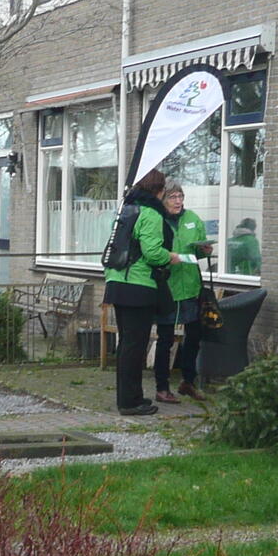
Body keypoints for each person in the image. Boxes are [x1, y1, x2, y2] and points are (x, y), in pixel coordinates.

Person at [104, 169, 199, 416]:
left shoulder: (126, 209)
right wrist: (174, 257)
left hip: (116, 281)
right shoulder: (151, 213)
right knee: (134, 347)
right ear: (158, 192)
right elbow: (153, 253)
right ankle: (130, 403)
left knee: (127, 345)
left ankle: (130, 397)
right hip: (138, 286)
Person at [153, 183, 213, 402]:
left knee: (194, 336)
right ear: (163, 199)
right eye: (172, 197)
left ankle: (188, 381)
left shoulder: (193, 219)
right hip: (168, 289)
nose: (178, 201)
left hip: (191, 286)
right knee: (165, 339)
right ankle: (162, 387)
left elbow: (199, 252)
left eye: (180, 196)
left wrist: (205, 250)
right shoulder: (157, 220)